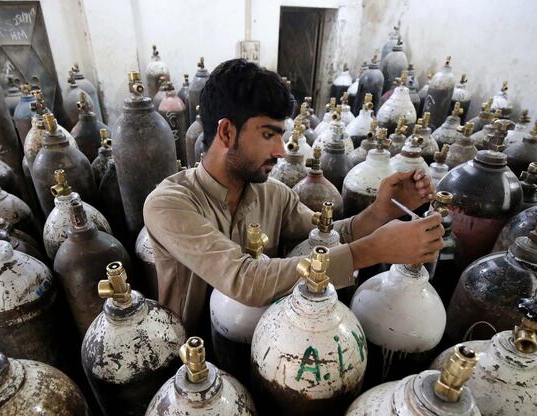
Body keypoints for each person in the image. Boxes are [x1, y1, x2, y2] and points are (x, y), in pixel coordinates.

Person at [144, 59, 443, 333]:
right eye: (267, 135)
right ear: (226, 133)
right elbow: (244, 279)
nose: (279, 150)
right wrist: (372, 251)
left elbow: (329, 236)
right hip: (191, 353)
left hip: (268, 338)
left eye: (281, 135)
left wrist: (381, 212)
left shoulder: (274, 194)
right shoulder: (169, 204)